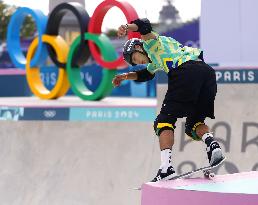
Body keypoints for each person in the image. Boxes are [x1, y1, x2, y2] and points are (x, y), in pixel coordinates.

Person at [112, 18, 225, 182]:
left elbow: (144, 25)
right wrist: (126, 76)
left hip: (185, 71)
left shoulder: (149, 43)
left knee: (163, 121)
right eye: (135, 63)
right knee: (193, 124)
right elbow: (146, 74)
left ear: (138, 47)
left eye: (136, 59)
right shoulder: (157, 54)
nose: (139, 63)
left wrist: (127, 27)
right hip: (206, 73)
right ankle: (213, 145)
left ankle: (166, 168)